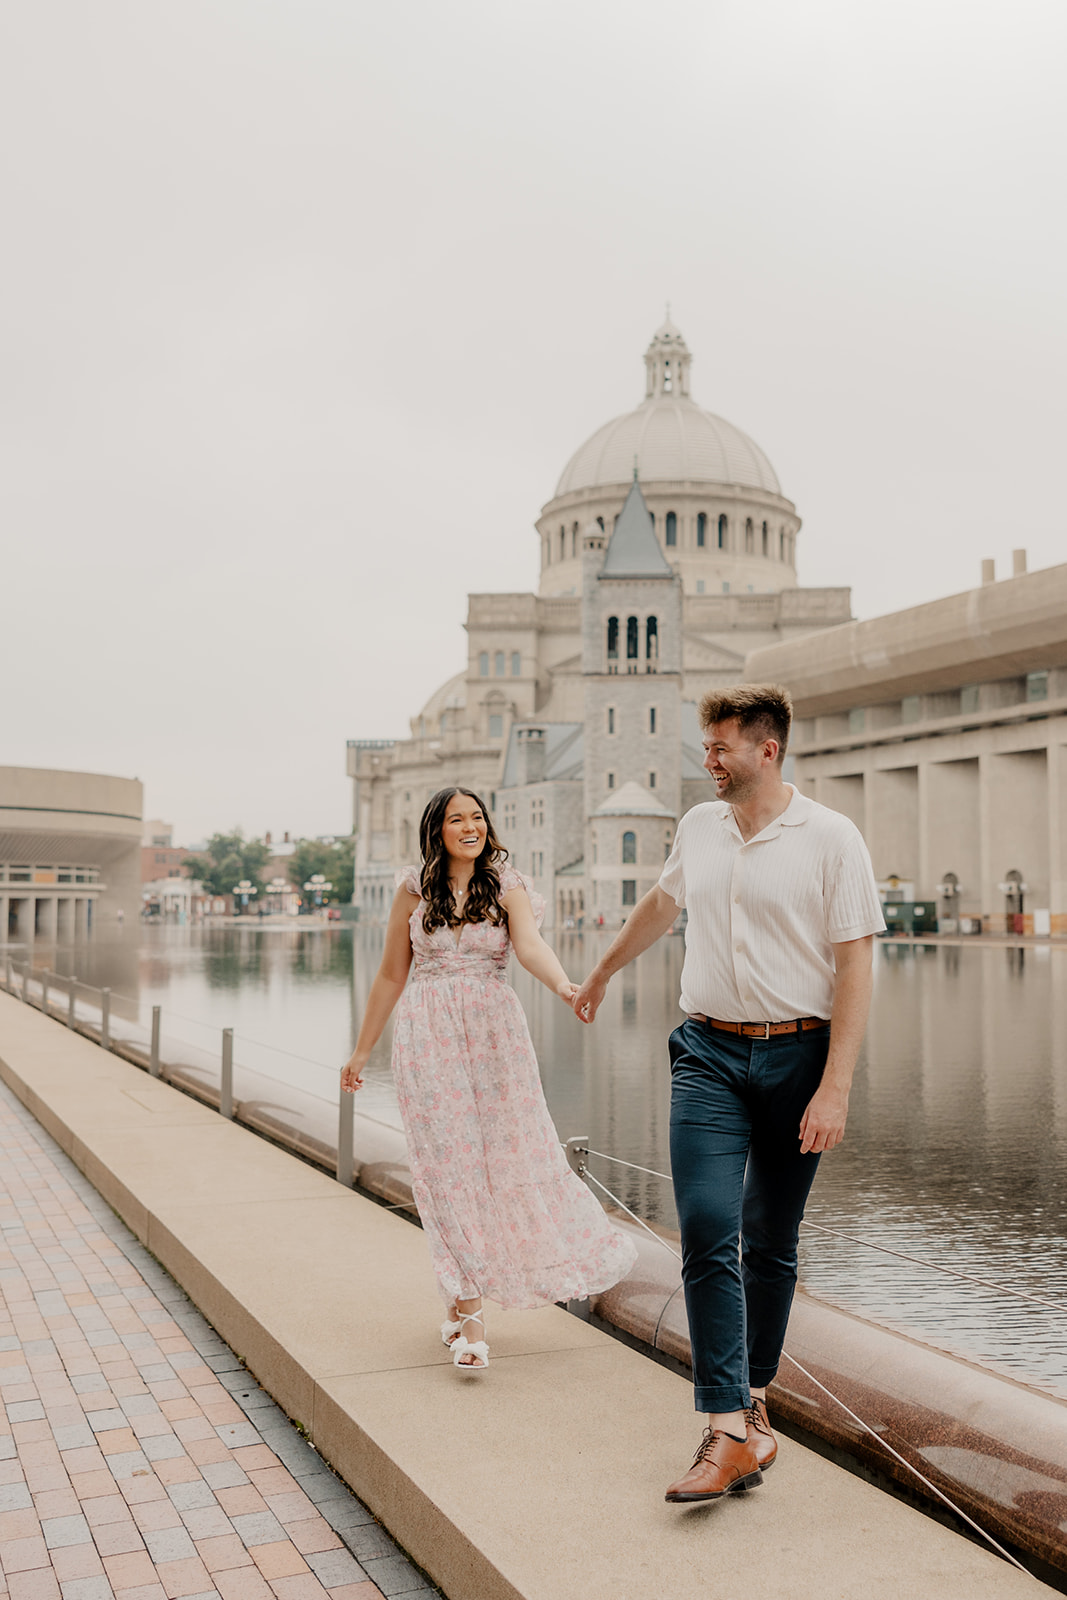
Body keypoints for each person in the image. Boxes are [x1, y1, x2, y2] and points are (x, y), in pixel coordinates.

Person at [573, 685, 885, 1500]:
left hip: (799, 1059)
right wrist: (601, 972)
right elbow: (660, 902)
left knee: (768, 1239)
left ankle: (749, 1402)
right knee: (707, 1225)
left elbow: (856, 963)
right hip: (707, 1051)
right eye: (705, 747)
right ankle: (723, 1426)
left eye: (719, 749)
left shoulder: (829, 837)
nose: (704, 761)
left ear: (767, 750)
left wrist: (836, 1089)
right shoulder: (697, 825)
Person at [341, 786, 637, 1371]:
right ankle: (472, 1314)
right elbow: (388, 976)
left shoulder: (507, 885)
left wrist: (565, 986)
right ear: (437, 829)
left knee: (506, 1161)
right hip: (427, 1037)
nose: (470, 826)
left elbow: (530, 947)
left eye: (477, 817)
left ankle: (459, 1298)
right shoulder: (412, 889)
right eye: (457, 819)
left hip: (495, 1036)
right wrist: (359, 1052)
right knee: (445, 1170)